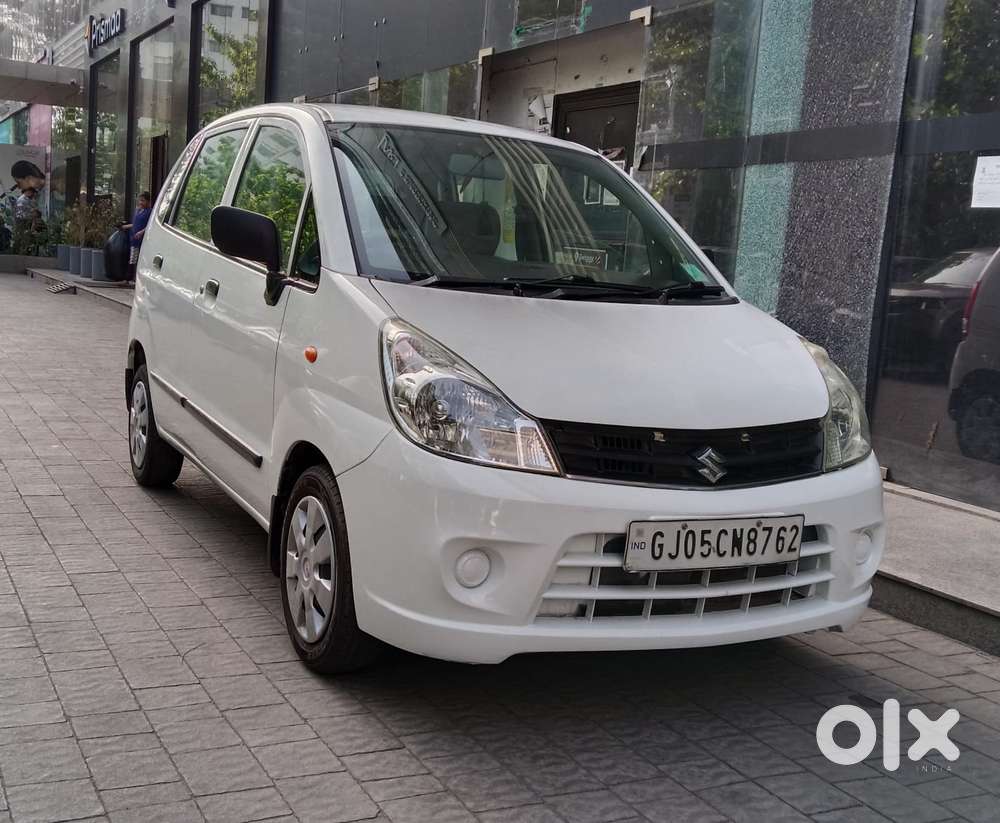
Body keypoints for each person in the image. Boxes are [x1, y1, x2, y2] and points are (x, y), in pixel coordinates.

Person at [120, 191, 152, 282]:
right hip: (134, 238)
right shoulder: (138, 211)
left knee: (139, 258)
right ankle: (130, 278)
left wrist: (141, 232)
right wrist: (126, 227)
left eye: (143, 201)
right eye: (140, 200)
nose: (141, 203)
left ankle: (132, 278)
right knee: (132, 257)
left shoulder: (150, 212)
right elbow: (135, 224)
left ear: (148, 201)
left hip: (142, 239)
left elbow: (150, 225)